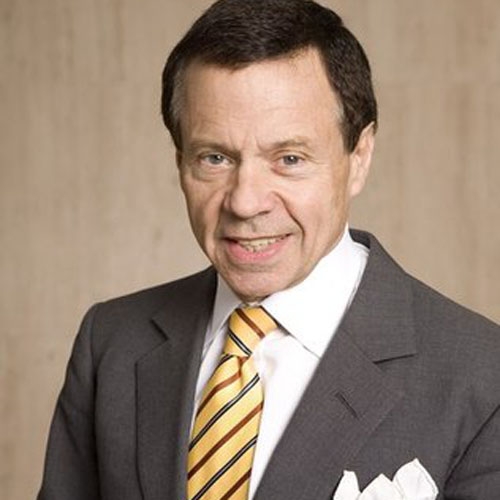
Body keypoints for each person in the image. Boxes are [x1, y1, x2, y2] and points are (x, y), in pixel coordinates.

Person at [38, 0, 500, 498]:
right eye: (215, 158)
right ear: (180, 162)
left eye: (289, 159)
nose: (245, 201)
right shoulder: (110, 342)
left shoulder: (481, 375)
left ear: (359, 156)